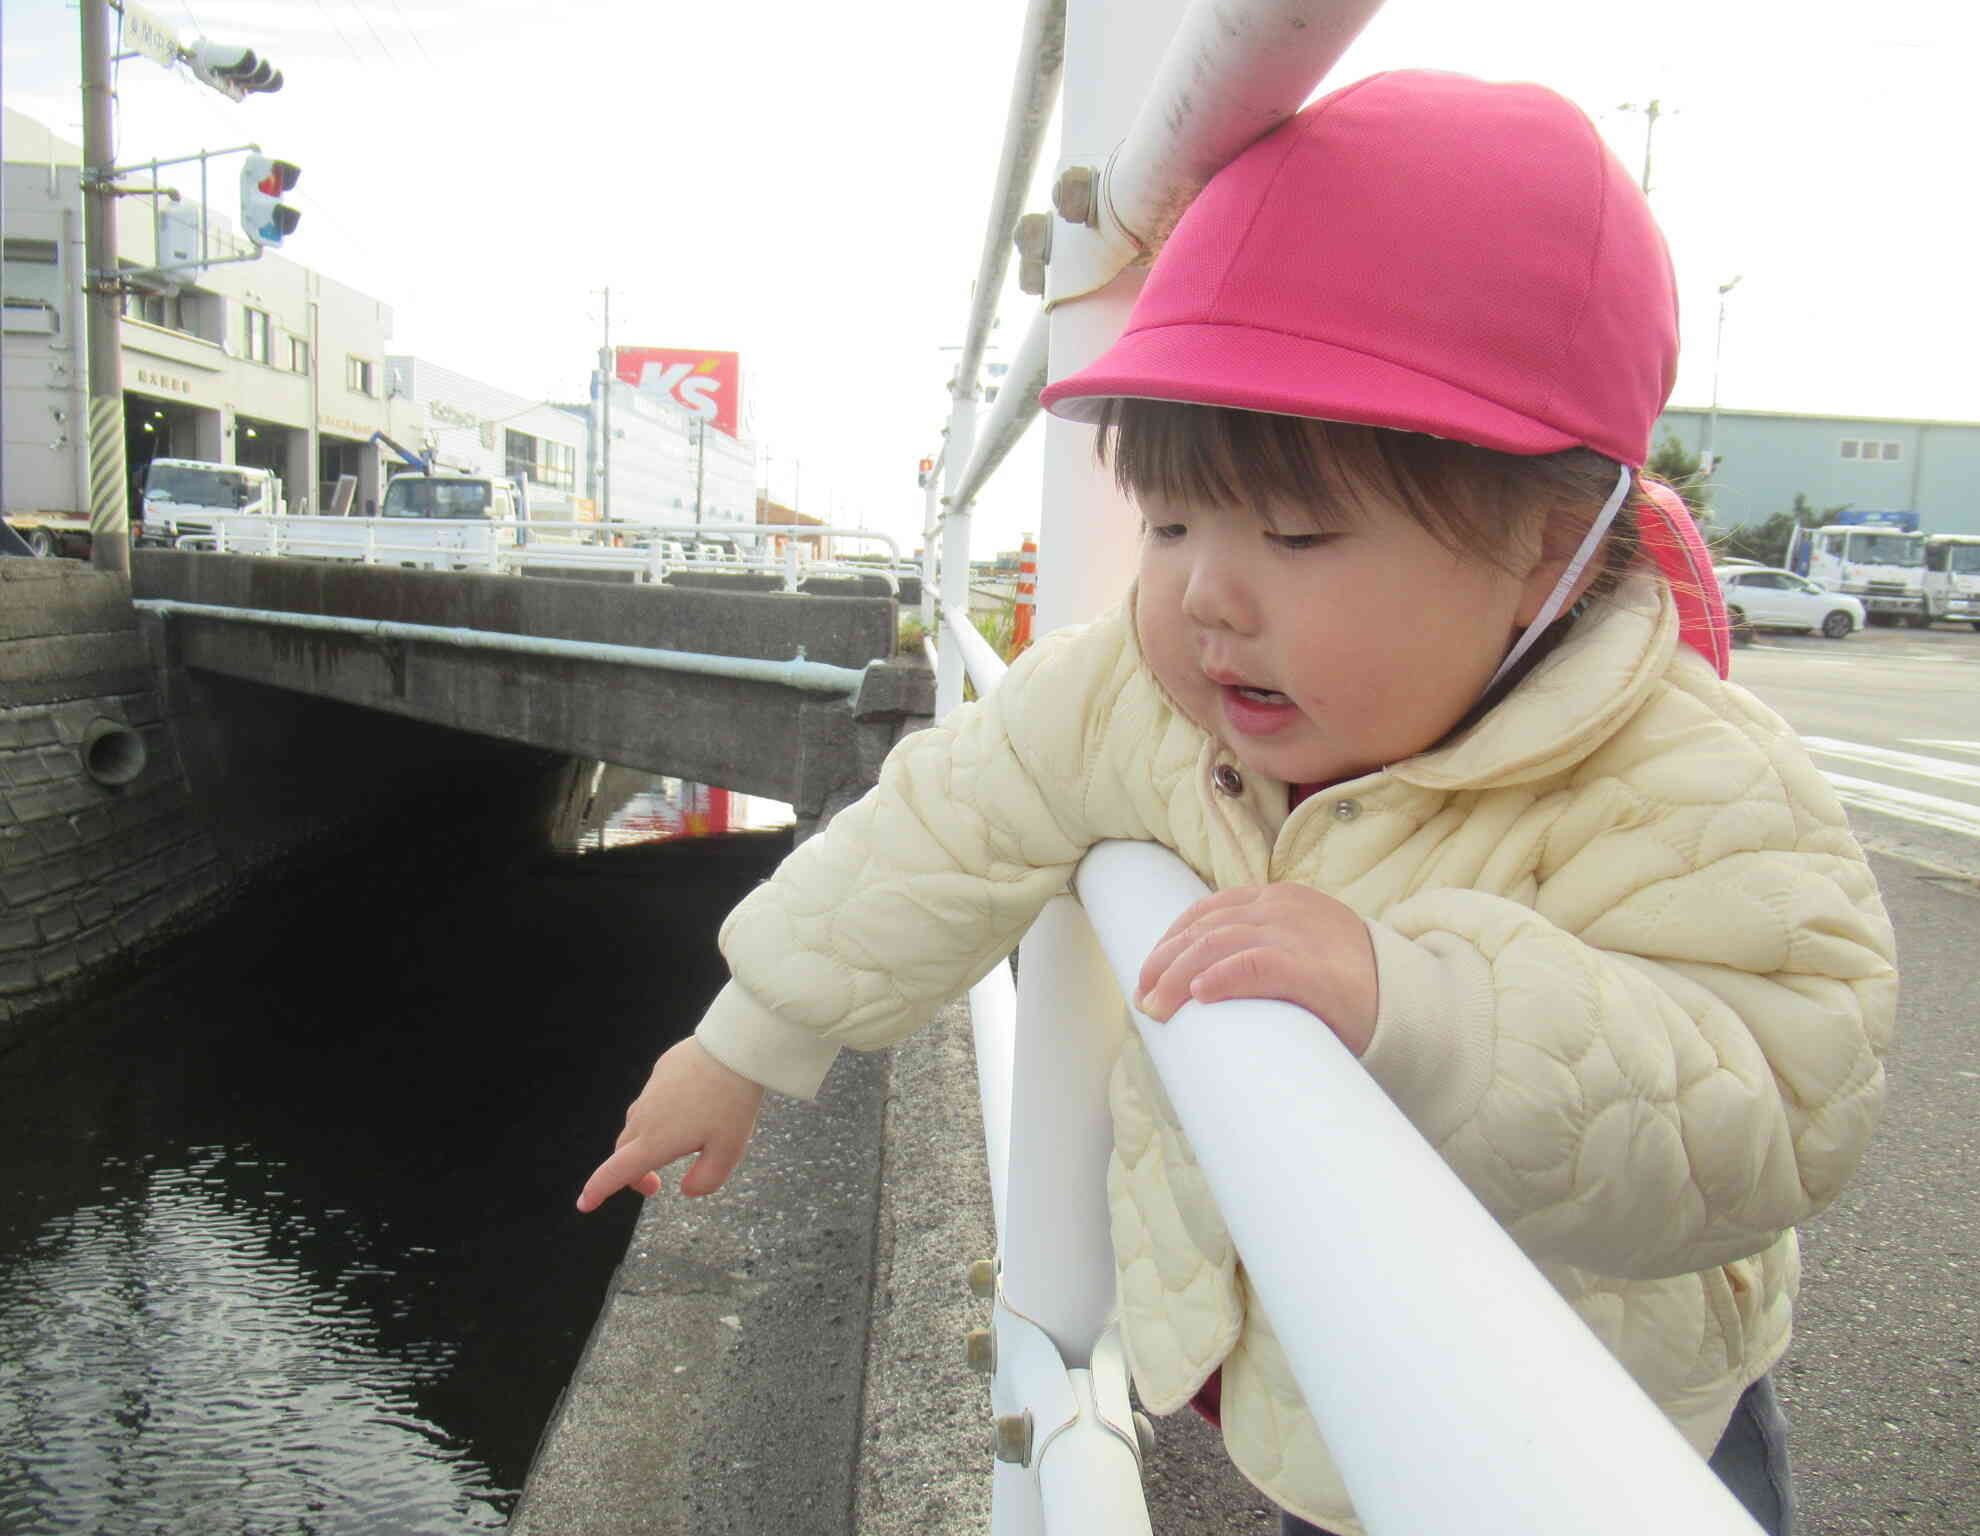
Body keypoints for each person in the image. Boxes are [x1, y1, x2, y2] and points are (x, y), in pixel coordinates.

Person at [578, 71, 1893, 1536]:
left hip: (1604, 1430)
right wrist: (752, 1034)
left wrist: (1431, 1010)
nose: (1206, 591)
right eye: (1172, 519)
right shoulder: (1136, 695)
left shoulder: (1681, 779)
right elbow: (946, 820)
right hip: (1319, 1395)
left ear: (1548, 551)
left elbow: (1778, 1096)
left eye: (1299, 531)